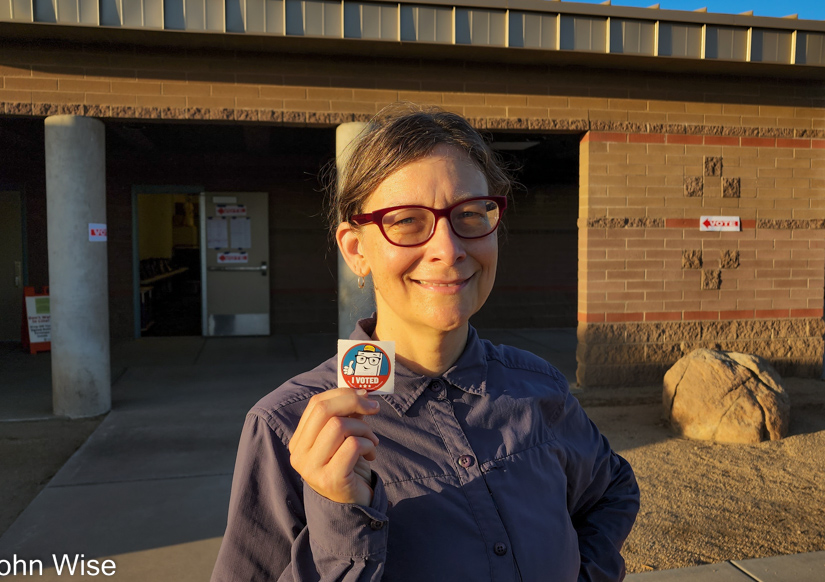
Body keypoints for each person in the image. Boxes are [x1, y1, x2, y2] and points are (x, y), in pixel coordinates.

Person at [210, 104, 640, 582]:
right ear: (357, 250)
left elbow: (612, 490)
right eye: (407, 221)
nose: (447, 248)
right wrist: (342, 517)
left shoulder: (538, 387)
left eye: (471, 214)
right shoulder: (287, 429)